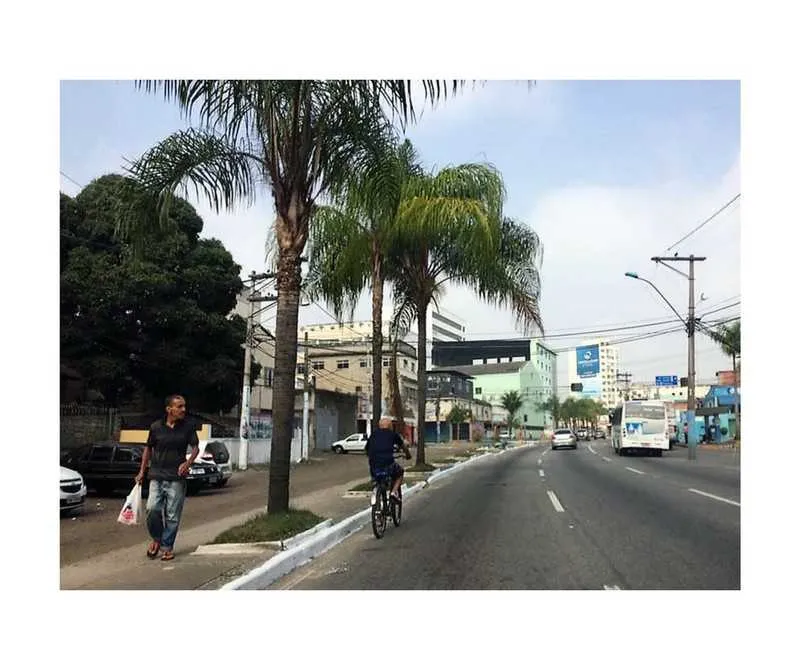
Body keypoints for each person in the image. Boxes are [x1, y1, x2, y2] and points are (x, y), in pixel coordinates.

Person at [135, 394, 200, 561]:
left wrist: (188, 463)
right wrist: (142, 471)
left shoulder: (188, 426)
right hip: (156, 475)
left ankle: (167, 546)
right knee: (152, 509)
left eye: (184, 406)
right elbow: (148, 449)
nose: (183, 409)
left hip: (176, 478)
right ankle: (157, 538)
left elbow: (195, 448)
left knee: (172, 515)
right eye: (179, 407)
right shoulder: (156, 427)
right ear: (169, 409)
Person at [365, 417, 411, 500]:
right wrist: (408, 455)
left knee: (376, 478)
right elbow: (403, 446)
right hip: (388, 463)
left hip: (374, 465)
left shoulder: (373, 435)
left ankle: (376, 488)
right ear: (390, 426)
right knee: (400, 472)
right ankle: (393, 492)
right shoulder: (393, 434)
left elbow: (367, 449)